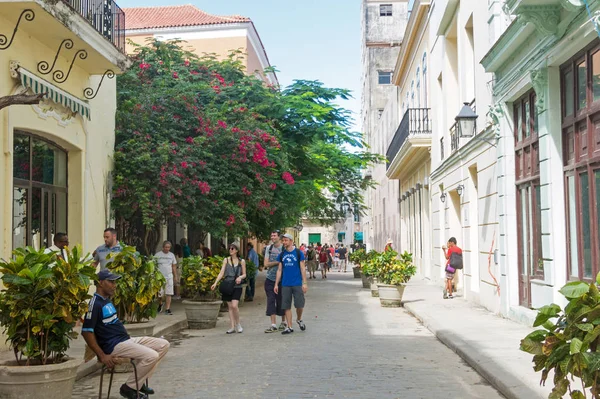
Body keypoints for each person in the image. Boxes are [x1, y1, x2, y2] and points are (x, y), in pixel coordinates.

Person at [82, 270, 170, 399]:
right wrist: (102, 355)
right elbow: (86, 332)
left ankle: (138, 383)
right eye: (111, 282)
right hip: (114, 346)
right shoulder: (95, 304)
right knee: (151, 355)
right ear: (100, 283)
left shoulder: (106, 300)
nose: (114, 285)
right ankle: (128, 388)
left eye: (115, 282)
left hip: (126, 340)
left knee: (163, 344)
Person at [274, 234, 307, 335]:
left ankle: (299, 319)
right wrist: (276, 284)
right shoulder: (282, 254)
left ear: (291, 241)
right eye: (283, 240)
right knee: (286, 306)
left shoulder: (298, 253)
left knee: (299, 305)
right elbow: (279, 270)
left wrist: (304, 282)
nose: (284, 242)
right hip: (285, 284)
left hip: (297, 283)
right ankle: (289, 326)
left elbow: (302, 268)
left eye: (286, 240)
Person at [211, 242, 246, 334]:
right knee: (230, 306)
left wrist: (240, 277)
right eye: (230, 248)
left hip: (237, 285)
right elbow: (222, 272)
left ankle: (238, 324)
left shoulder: (241, 261)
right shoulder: (226, 260)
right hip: (227, 284)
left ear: (237, 250)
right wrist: (215, 282)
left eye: (232, 248)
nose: (230, 250)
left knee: (234, 305)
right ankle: (232, 326)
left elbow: (244, 274)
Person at [263, 230, 287, 333]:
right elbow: (265, 264)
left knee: (281, 301)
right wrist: (278, 262)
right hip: (270, 278)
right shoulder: (269, 248)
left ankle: (283, 322)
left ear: (279, 237)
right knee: (271, 300)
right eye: (271, 235)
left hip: (282, 279)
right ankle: (273, 324)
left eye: (274, 236)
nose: (272, 237)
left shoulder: (283, 248)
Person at [155, 241, 177, 314]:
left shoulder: (172, 255)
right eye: (166, 247)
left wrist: (175, 276)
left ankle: (168, 308)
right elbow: (154, 265)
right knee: (159, 293)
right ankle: (160, 304)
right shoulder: (158, 255)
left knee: (169, 293)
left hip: (169, 276)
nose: (167, 249)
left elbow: (173, 266)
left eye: (168, 247)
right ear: (163, 247)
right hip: (160, 277)